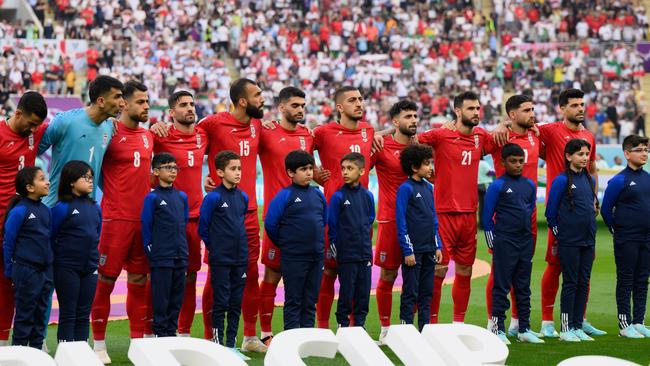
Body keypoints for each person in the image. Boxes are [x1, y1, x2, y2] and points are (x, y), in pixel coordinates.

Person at [417, 91, 497, 324]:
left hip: (469, 215)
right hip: (443, 215)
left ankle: (458, 324)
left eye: (478, 108)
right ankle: (429, 324)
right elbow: (413, 141)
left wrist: (504, 125)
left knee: (465, 271)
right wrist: (426, 169)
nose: (475, 113)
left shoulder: (481, 136)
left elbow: (501, 141)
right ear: (458, 111)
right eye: (471, 108)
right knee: (438, 272)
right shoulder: (441, 135)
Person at [199, 79, 267, 350]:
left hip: (248, 214)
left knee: (251, 275)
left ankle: (250, 337)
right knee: (216, 277)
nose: (262, 99)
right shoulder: (213, 123)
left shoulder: (259, 125)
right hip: (222, 215)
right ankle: (208, 338)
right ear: (242, 101)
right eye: (257, 95)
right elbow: (190, 143)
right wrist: (208, 176)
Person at [91, 80, 153, 363]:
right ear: (124, 103)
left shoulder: (150, 135)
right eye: (140, 102)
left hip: (143, 221)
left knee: (140, 281)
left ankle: (137, 342)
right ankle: (99, 344)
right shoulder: (109, 132)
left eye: (147, 101)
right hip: (115, 219)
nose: (146, 106)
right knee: (105, 280)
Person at [313, 86, 374, 329]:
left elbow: (375, 148)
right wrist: (316, 173)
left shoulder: (369, 131)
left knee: (359, 275)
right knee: (329, 273)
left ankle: (354, 327)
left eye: (360, 99)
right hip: (334, 216)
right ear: (339, 107)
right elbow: (299, 151)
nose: (359, 103)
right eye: (352, 100)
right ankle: (323, 327)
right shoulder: (324, 132)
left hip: (360, 219)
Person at [258, 86, 313, 343]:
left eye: (302, 106)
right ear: (281, 107)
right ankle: (265, 333)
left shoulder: (308, 135)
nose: (300, 110)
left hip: (303, 220)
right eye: (295, 106)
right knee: (272, 274)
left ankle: (307, 331)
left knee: (307, 276)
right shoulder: (266, 132)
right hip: (277, 219)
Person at [152, 90, 208, 337]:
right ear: (171, 112)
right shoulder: (160, 136)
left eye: (192, 104)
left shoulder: (203, 135)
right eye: (183, 105)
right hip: (165, 219)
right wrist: (155, 128)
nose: (189, 108)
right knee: (159, 276)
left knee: (191, 276)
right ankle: (151, 331)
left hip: (195, 218)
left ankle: (183, 332)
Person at [485, 94, 541, 336]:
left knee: (522, 274)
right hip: (504, 222)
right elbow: (473, 147)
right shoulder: (499, 136)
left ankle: (520, 325)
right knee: (500, 275)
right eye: (527, 110)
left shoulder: (537, 134)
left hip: (528, 221)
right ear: (512, 115)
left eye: (532, 109)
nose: (532, 113)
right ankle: (493, 323)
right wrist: (498, 126)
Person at [0, 91, 48, 347]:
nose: (33, 129)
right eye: (30, 123)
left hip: (21, 223)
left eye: (36, 125)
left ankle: (9, 341)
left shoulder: (35, 133)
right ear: (17, 113)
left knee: (11, 284)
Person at [369, 100, 417, 343]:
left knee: (417, 277)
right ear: (396, 122)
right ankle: (386, 329)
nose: (414, 120)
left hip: (418, 221)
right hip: (390, 220)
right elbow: (358, 166)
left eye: (415, 116)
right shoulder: (381, 145)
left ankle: (406, 327)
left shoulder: (421, 147)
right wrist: (378, 134)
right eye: (408, 116)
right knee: (387, 276)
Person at [38, 75, 124, 207]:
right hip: (56, 206)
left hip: (87, 209)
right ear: (101, 101)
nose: (122, 103)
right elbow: (33, 151)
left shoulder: (109, 127)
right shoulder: (65, 121)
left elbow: (99, 167)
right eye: (117, 97)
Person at [264, 150, 327, 330]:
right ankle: (291, 338)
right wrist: (287, 244)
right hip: (294, 257)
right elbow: (271, 224)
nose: (308, 172)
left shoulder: (317, 194)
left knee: (310, 299)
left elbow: (324, 220)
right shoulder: (285, 195)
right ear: (291, 173)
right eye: (303, 169)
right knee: (294, 299)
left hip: (316, 256)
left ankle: (307, 336)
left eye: (310, 168)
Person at [545, 139, 598, 342]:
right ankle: (566, 328)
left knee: (583, 283)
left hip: (588, 240)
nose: (584, 158)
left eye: (587, 154)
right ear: (569, 157)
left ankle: (577, 325)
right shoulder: (561, 181)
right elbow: (551, 214)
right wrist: (561, 234)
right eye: (580, 154)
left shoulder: (589, 180)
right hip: (569, 241)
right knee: (570, 282)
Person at [199, 151, 249, 360]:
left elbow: (239, 224)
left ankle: (231, 345)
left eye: (239, 168)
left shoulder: (243, 196)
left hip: (241, 258)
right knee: (221, 302)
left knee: (236, 302)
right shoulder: (213, 198)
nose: (238, 173)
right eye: (233, 169)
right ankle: (219, 346)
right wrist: (216, 247)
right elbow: (204, 228)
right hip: (221, 258)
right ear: (220, 172)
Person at [601, 135, 650, 338]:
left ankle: (638, 321)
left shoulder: (647, 178)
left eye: (646, 149)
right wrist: (617, 230)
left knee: (642, 280)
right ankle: (624, 324)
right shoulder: (619, 180)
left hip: (646, 238)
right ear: (627, 154)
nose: (644, 153)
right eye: (639, 150)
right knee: (626, 280)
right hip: (626, 238)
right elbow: (605, 209)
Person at [51, 161, 101, 343]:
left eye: (91, 178)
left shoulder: (95, 207)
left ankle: (81, 354)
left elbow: (96, 234)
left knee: (83, 314)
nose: (90, 181)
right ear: (71, 181)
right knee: (69, 312)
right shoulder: (61, 208)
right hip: (66, 268)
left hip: (89, 267)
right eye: (85, 177)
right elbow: (51, 236)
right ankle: (66, 355)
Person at [395, 144, 443, 331]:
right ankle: (405, 330)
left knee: (426, 293)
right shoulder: (405, 189)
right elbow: (401, 221)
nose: (430, 167)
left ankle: (425, 330)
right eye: (426, 164)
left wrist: (437, 245)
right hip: (413, 252)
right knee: (410, 293)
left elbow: (433, 218)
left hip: (429, 250)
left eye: (430, 163)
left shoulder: (429, 187)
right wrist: (407, 250)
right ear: (414, 167)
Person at [141, 153, 189, 337]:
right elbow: (147, 227)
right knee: (161, 299)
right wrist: (153, 252)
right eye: (167, 167)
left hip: (180, 255)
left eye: (175, 167)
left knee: (177, 298)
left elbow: (182, 223)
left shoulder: (181, 197)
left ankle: (171, 332)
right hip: (162, 257)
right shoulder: (152, 198)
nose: (172, 171)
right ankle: (160, 334)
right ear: (156, 171)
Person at [2, 166, 51, 348]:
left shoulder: (46, 210)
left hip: (44, 272)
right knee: (24, 316)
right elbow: (8, 243)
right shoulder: (19, 211)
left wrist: (49, 267)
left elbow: (48, 240)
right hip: (25, 271)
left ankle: (37, 354)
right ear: (29, 187)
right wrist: (10, 270)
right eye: (41, 179)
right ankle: (19, 356)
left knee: (40, 316)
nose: (47, 182)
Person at [328, 152, 375, 328]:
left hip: (364, 253)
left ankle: (360, 326)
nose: (345, 172)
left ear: (362, 171)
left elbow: (370, 219)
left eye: (350, 168)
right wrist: (336, 247)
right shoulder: (338, 197)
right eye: (343, 169)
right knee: (347, 293)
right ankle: (342, 325)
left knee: (363, 294)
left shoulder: (368, 196)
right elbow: (332, 224)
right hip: (347, 254)